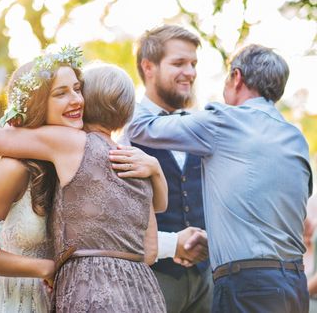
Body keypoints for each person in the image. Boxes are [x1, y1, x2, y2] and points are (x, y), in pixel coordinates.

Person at [0, 49, 164, 312]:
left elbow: (117, 240)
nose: (76, 100)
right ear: (39, 103)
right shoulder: (14, 166)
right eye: (61, 93)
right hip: (6, 298)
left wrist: (154, 169)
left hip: (62, 296)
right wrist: (47, 268)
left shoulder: (79, 164)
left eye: (77, 89)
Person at [128, 44, 313, 313]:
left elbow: (140, 127)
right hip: (294, 284)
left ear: (236, 77)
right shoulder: (295, 137)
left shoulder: (222, 122)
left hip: (247, 286)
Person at [120, 24, 212, 313]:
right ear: (149, 67)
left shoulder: (203, 125)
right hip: (150, 278)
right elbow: (115, 215)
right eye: (179, 63)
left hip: (205, 279)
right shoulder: (122, 127)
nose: (190, 72)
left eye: (194, 64)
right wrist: (171, 245)